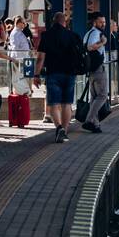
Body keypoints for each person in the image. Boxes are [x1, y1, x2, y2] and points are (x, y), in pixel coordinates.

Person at [33, 11, 82, 142]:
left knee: (54, 104)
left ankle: (59, 128)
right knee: (67, 104)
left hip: (53, 73)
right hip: (70, 73)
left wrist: (36, 74)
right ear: (64, 22)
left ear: (53, 21)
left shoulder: (46, 35)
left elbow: (40, 58)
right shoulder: (72, 36)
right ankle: (64, 131)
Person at [82, 13, 109, 134]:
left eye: (104, 22)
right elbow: (90, 47)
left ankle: (95, 124)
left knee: (94, 97)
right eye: (100, 22)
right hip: (98, 68)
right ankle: (89, 120)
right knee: (103, 95)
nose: (103, 24)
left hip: (91, 68)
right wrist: (103, 42)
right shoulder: (96, 34)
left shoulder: (88, 33)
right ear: (94, 23)